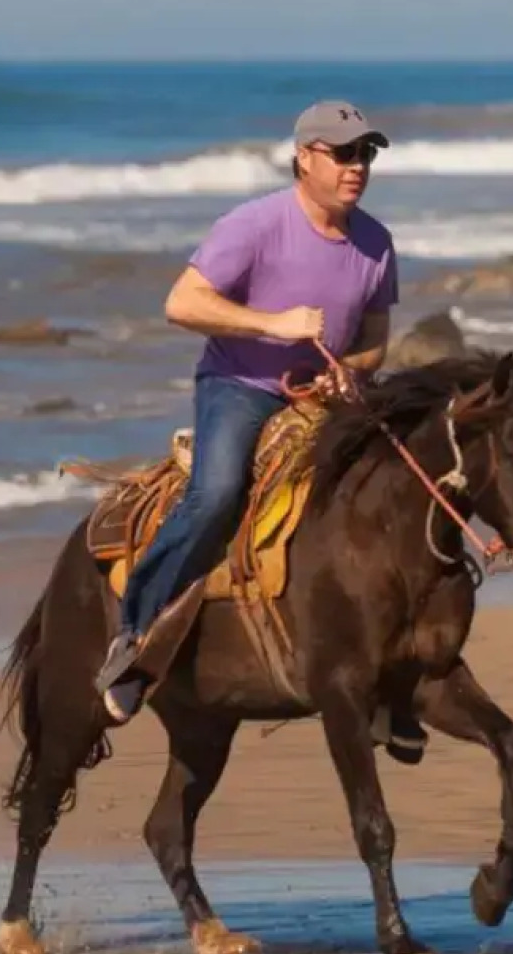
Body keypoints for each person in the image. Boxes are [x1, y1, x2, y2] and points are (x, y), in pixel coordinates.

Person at [93, 100, 426, 760]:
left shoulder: (375, 243)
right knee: (217, 495)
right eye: (342, 153)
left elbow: (374, 340)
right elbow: (181, 303)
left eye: (365, 154)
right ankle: (132, 637)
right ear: (305, 157)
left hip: (327, 400)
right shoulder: (254, 224)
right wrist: (273, 326)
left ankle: (395, 677)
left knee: (398, 489)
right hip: (240, 390)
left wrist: (349, 375)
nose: (356, 167)